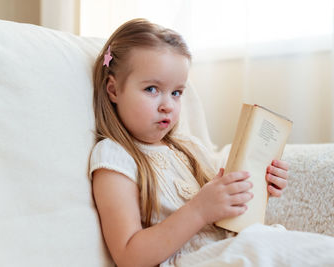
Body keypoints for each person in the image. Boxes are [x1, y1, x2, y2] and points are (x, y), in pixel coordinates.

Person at [89, 18, 334, 267]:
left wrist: (257, 188)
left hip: (229, 247)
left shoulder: (188, 148)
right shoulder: (114, 156)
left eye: (176, 93)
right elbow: (129, 256)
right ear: (114, 90)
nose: (167, 105)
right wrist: (198, 210)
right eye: (152, 89)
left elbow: (223, 220)